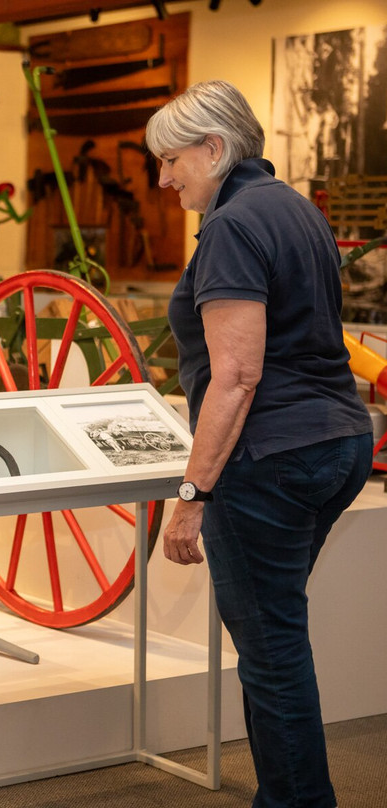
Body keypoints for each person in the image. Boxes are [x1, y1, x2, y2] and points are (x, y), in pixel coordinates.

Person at [145, 80, 373, 808]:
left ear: (214, 148)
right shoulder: (295, 208)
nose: (163, 177)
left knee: (271, 651)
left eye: (172, 159)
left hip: (271, 458)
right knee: (278, 633)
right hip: (339, 442)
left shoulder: (235, 225)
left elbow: (236, 377)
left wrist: (190, 496)